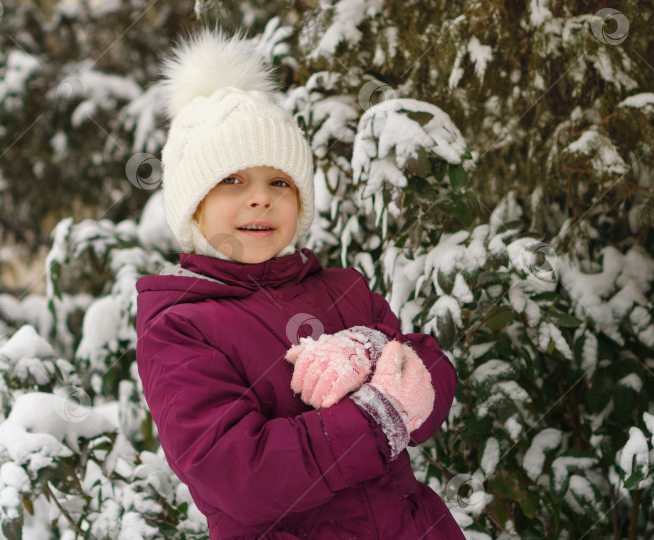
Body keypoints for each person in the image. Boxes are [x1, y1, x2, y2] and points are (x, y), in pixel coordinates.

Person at [135, 25, 466, 540]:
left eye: (280, 182)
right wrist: (378, 417)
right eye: (232, 180)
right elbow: (241, 475)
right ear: (192, 206)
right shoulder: (180, 328)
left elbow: (429, 373)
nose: (260, 198)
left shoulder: (345, 290)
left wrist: (372, 347)